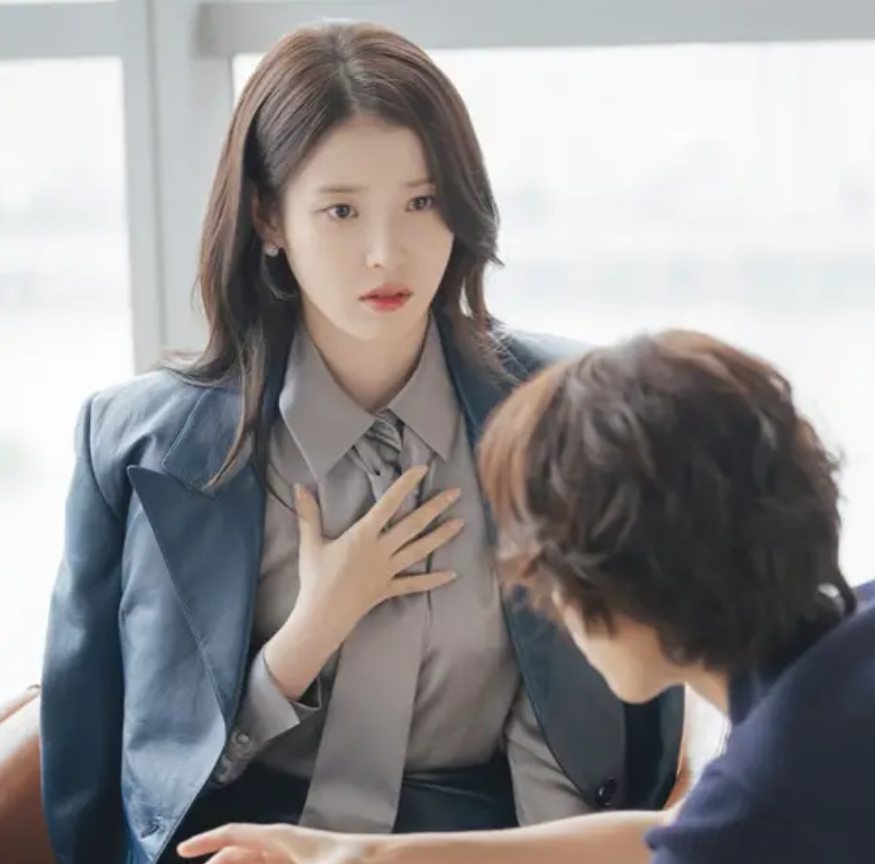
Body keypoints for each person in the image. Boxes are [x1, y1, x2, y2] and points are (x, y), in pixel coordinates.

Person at [39, 21, 686, 864]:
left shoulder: (566, 410)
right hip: (246, 844)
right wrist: (305, 637)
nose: (387, 254)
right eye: (341, 211)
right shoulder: (142, 444)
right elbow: (123, 774)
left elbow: (607, 721)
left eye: (422, 202)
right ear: (268, 217)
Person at [178, 329, 875, 864]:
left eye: (551, 573)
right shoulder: (843, 653)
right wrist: (371, 853)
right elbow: (679, 833)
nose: (546, 606)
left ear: (636, 583)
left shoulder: (768, 796)